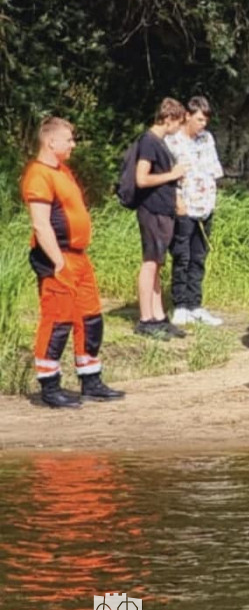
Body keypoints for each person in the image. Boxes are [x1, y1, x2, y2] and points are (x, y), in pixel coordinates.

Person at [20, 117, 125, 408]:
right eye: (69, 139)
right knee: (57, 321)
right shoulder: (39, 174)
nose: (73, 144)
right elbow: (41, 224)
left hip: (79, 257)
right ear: (51, 142)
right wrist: (57, 262)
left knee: (90, 318)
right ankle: (49, 386)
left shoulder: (63, 170)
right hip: (58, 258)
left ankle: (91, 379)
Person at [165, 95, 224, 326]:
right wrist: (177, 199)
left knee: (199, 256)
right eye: (199, 119)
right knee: (182, 256)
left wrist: (212, 200)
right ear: (187, 116)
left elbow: (213, 171)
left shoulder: (206, 139)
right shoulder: (173, 141)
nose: (203, 124)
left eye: (205, 120)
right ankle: (180, 304)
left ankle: (195, 304)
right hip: (184, 206)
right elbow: (169, 176)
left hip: (205, 205)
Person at [134, 97, 189, 338]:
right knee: (150, 262)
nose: (179, 128)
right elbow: (141, 179)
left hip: (163, 211)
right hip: (151, 210)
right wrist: (172, 175)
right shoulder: (148, 141)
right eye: (178, 122)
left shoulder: (160, 143)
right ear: (168, 118)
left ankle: (158, 316)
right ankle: (146, 319)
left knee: (158, 263)